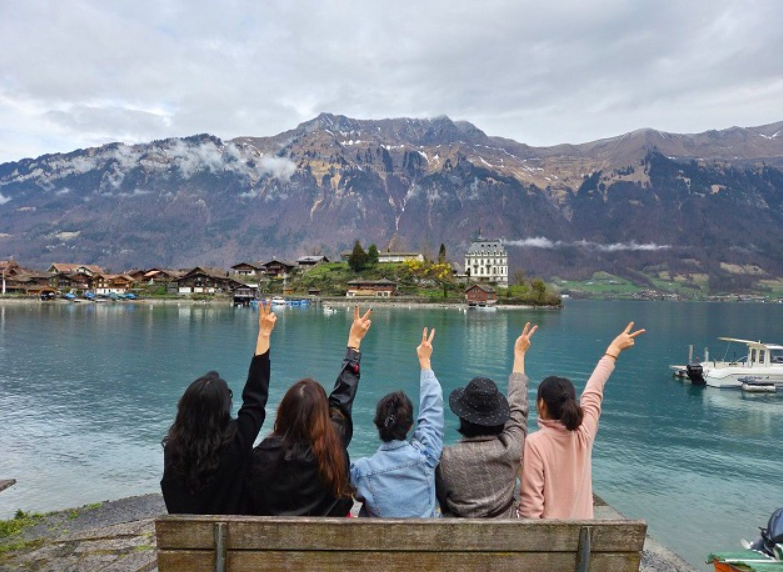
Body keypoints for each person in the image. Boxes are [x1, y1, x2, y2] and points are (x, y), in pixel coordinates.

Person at [247, 306, 372, 516]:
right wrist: (354, 343)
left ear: (284, 412)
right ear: (323, 416)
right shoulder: (334, 444)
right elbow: (342, 400)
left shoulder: (262, 455)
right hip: (331, 545)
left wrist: (264, 335)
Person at [518, 322, 645, 519]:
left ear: (541, 404)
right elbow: (594, 392)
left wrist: (519, 355)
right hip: (582, 541)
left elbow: (530, 510)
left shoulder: (535, 444)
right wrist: (613, 351)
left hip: (550, 545)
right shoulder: (584, 432)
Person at [161, 300, 277, 514]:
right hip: (236, 542)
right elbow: (255, 399)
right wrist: (264, 335)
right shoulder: (237, 441)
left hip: (188, 545)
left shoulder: (173, 451)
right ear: (224, 408)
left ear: (185, 409)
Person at [436, 322, 537, 518]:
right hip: (507, 536)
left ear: (463, 418)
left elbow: (443, 501)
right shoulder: (512, 446)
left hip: (458, 542)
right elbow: (518, 407)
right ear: (499, 418)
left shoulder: (446, 458)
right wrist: (519, 355)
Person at [351, 327, 444, 518]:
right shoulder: (426, 457)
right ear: (411, 427)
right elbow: (433, 413)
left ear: (377, 424)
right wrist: (425, 362)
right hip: (428, 545)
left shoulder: (363, 472)